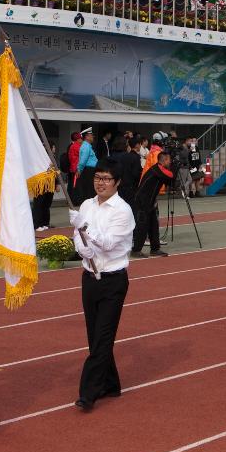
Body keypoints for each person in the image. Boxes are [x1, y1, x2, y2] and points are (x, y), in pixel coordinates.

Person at [69, 158, 135, 411]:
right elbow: (78, 236)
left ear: (117, 182)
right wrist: (82, 248)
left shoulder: (122, 210)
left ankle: (88, 392)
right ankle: (111, 383)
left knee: (103, 337)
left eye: (106, 179)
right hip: (89, 277)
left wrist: (83, 228)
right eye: (98, 178)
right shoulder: (86, 204)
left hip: (113, 280)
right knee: (94, 336)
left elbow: (107, 243)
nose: (101, 183)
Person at [131, 149, 173, 257]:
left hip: (150, 201)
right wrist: (176, 168)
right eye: (169, 160)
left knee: (154, 225)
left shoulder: (158, 169)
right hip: (143, 201)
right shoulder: (158, 169)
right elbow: (171, 178)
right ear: (164, 160)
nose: (170, 162)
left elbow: (169, 180)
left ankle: (155, 248)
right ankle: (136, 250)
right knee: (142, 226)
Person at [75, 128, 98, 201]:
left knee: (90, 190)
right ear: (87, 137)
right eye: (91, 135)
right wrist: (79, 170)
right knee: (89, 190)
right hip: (88, 170)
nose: (93, 137)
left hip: (89, 170)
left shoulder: (87, 146)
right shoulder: (86, 146)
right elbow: (83, 160)